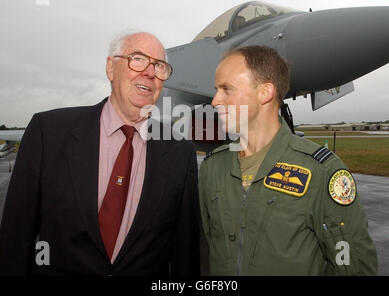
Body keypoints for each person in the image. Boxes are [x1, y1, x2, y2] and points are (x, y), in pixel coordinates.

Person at [0, 31, 200, 276]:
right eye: (137, 59)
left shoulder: (181, 152)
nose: (149, 72)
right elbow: (15, 237)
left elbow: (185, 254)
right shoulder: (48, 132)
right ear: (110, 68)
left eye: (159, 66)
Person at [199, 45, 377, 275]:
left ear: (265, 92)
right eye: (216, 90)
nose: (214, 101)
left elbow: (353, 264)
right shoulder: (212, 167)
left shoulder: (320, 170)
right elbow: (204, 251)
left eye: (226, 89)